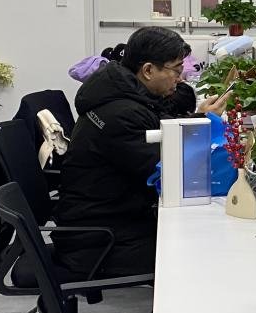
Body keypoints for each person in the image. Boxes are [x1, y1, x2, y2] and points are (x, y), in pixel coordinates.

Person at [54, 27, 228, 277]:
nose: (180, 79)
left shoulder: (124, 94)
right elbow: (170, 169)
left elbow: (160, 127)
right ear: (148, 70)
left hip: (113, 218)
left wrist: (199, 119)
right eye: (176, 70)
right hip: (99, 240)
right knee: (204, 248)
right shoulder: (121, 114)